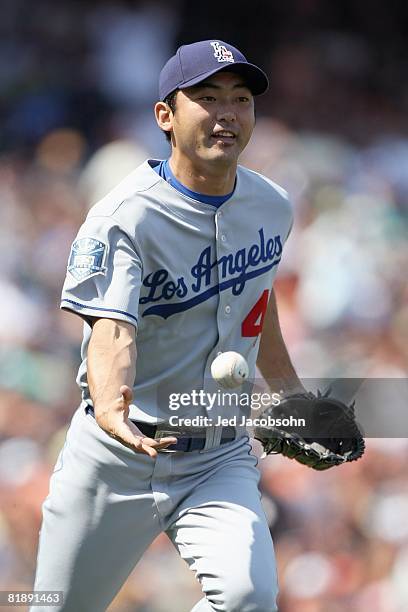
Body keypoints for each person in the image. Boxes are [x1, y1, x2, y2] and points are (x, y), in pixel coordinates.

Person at [31, 39, 304, 612]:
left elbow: (260, 299)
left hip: (217, 458)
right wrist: (109, 405)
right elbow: (113, 328)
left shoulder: (271, 205)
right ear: (165, 116)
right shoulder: (124, 215)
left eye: (240, 99)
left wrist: (292, 397)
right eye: (207, 98)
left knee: (249, 598)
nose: (227, 112)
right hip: (116, 458)